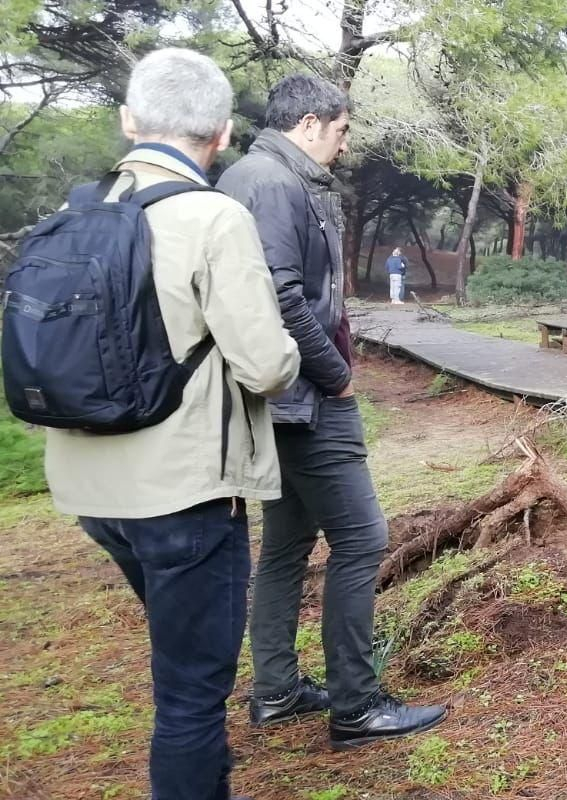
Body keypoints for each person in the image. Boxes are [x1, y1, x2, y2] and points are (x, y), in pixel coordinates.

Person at [38, 48, 302, 800]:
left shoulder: (75, 213)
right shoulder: (213, 217)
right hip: (184, 494)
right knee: (190, 695)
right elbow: (267, 368)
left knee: (186, 660)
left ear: (128, 120)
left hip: (94, 494)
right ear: (220, 134)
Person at [218, 73, 446, 750]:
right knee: (362, 539)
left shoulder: (254, 176)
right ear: (311, 123)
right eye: (342, 131)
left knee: (286, 544)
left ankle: (278, 691)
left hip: (282, 401)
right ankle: (356, 704)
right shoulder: (274, 184)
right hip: (307, 398)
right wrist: (336, 375)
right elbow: (285, 297)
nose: (345, 146)